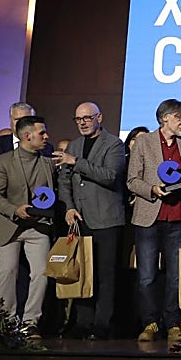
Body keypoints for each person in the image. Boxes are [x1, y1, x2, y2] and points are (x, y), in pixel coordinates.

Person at [126, 99, 181, 345]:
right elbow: (132, 180)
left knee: (176, 277)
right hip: (149, 218)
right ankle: (149, 322)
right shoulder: (145, 142)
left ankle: (173, 323)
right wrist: (153, 189)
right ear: (165, 118)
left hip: (179, 220)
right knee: (147, 275)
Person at [56, 102, 126, 339]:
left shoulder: (114, 144)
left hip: (106, 219)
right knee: (83, 272)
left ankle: (102, 324)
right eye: (78, 119)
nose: (83, 122)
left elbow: (110, 176)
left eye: (87, 118)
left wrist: (76, 162)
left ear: (99, 117)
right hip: (80, 218)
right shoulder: (74, 145)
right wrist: (69, 207)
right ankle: (82, 323)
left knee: (105, 275)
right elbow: (64, 182)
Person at [0, 115, 55, 338]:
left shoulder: (48, 162)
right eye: (41, 133)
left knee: (41, 273)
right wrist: (15, 209)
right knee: (7, 271)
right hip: (8, 225)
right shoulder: (2, 161)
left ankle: (30, 321)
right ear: (27, 136)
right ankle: (5, 321)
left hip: (38, 227)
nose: (46, 137)